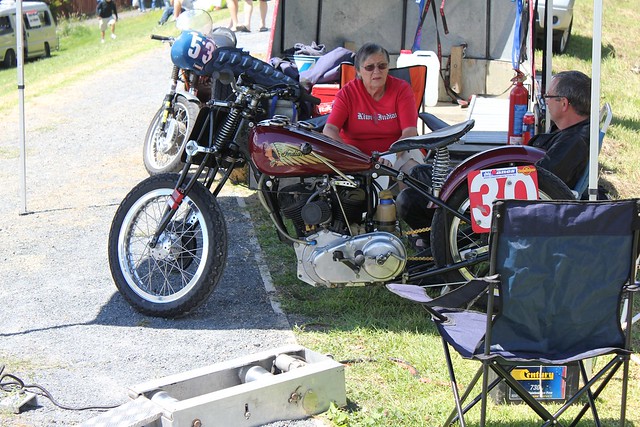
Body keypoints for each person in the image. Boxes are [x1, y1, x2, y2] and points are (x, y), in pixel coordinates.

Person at [395, 70, 592, 249]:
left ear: (564, 104)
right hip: (503, 184)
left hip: (502, 194)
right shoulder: (570, 133)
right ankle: (437, 239)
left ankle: (439, 241)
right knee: (416, 179)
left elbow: (540, 181)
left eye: (548, 97)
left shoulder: (573, 142)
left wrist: (493, 170)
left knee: (410, 192)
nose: (545, 101)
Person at [322, 42, 420, 169]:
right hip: (356, 156)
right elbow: (329, 129)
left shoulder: (402, 89)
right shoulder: (348, 93)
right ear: (358, 71)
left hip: (397, 153)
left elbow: (410, 131)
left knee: (413, 170)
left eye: (382, 66)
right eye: (369, 67)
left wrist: (392, 154)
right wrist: (349, 151)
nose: (377, 71)